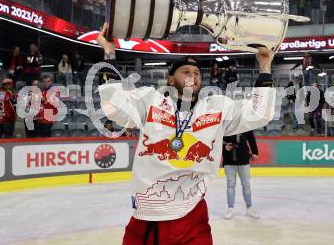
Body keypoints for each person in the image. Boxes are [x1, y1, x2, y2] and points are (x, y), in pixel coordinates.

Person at [97, 23, 275, 245]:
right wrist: (109, 53)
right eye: (185, 72)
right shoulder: (151, 100)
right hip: (149, 217)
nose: (192, 76)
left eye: (197, 73)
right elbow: (114, 108)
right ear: (170, 79)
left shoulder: (216, 107)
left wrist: (265, 66)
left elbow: (260, 114)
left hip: (193, 217)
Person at [222, 131, 260, 220]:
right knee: (230, 185)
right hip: (229, 160)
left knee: (246, 185)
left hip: (244, 159)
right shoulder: (227, 125)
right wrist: (224, 146)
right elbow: (219, 139)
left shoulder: (245, 125)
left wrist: (255, 152)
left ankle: (249, 208)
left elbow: (251, 139)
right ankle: (230, 208)